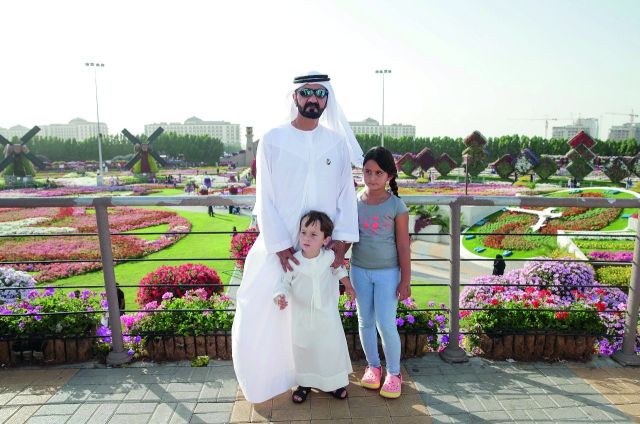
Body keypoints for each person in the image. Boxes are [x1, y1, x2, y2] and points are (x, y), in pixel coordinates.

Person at [232, 71, 363, 403]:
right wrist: (279, 247)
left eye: (320, 93)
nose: (313, 99)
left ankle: (327, 378)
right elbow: (265, 198)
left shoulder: (336, 143)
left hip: (321, 253)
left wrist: (340, 245)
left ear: (327, 99)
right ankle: (278, 379)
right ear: (294, 97)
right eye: (306, 93)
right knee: (264, 311)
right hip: (281, 250)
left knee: (321, 320)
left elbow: (346, 197)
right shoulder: (273, 139)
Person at [273, 211, 356, 403]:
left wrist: (348, 285)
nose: (306, 238)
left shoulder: (328, 257)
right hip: (302, 318)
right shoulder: (294, 261)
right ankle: (304, 384)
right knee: (305, 349)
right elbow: (283, 284)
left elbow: (338, 269)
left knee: (329, 348)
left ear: (325, 240)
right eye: (303, 232)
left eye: (313, 234)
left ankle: (333, 383)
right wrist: (280, 296)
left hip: (327, 315)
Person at [350, 146, 411, 399]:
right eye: (367, 171)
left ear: (389, 176)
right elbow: (346, 236)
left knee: (385, 324)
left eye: (378, 173)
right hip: (359, 271)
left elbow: (403, 245)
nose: (372, 177)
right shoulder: (354, 202)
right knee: (365, 321)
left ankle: (394, 373)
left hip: (388, 274)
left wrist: (405, 280)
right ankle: (373, 367)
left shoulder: (397, 206)